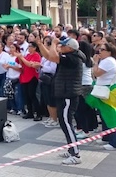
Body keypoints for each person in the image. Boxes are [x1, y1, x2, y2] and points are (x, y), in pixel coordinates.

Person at [41, 36, 86, 165]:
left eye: (63, 46)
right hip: (63, 93)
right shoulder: (69, 57)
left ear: (70, 48)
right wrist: (40, 44)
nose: (60, 47)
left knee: (66, 123)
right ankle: (72, 149)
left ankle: (76, 154)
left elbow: (54, 57)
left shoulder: (73, 58)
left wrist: (54, 43)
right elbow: (50, 56)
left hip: (69, 95)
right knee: (63, 122)